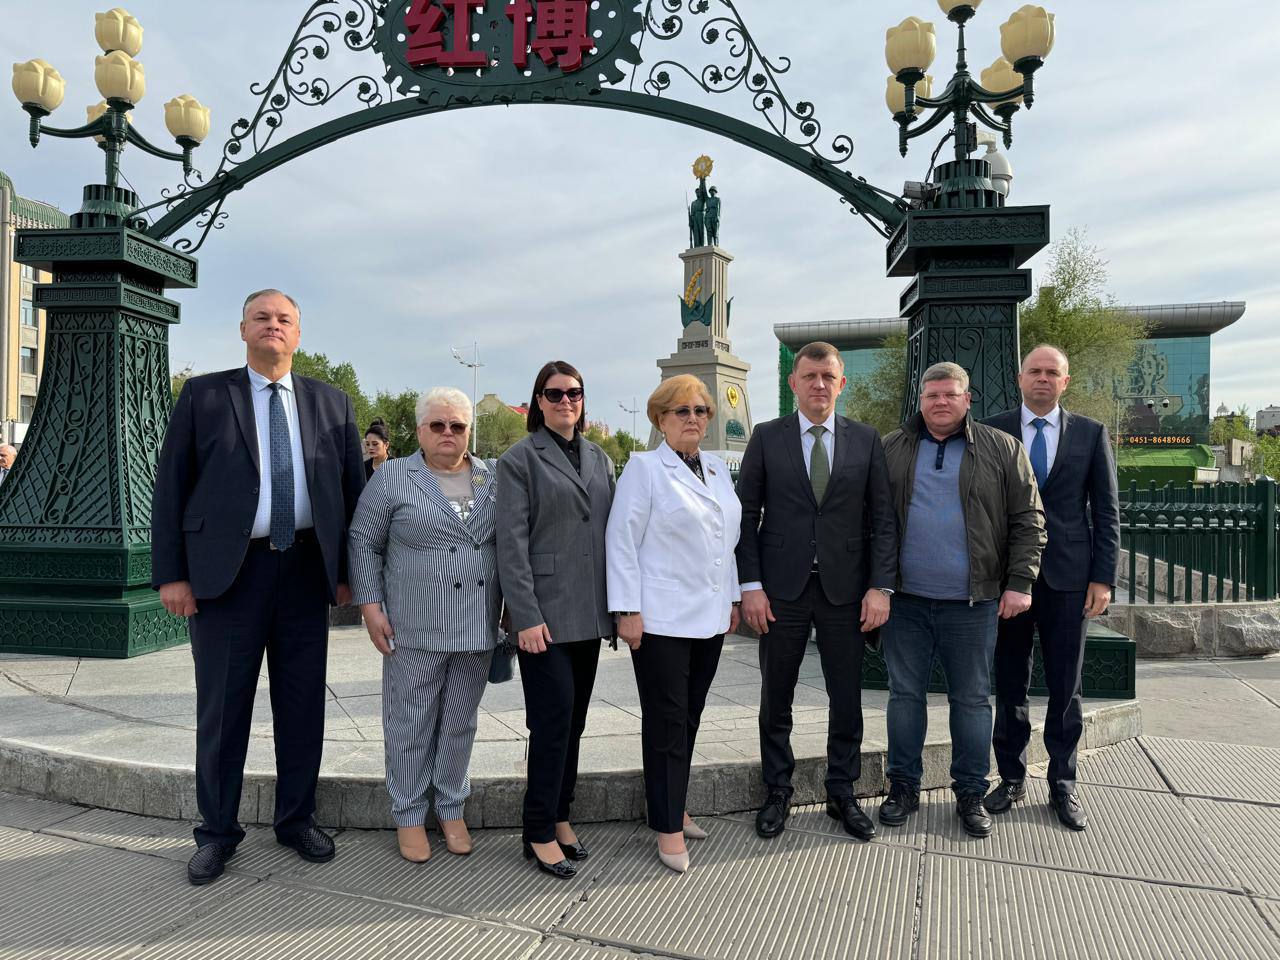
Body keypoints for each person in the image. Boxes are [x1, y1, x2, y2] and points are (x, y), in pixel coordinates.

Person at [151, 289, 365, 885]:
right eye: (262, 317)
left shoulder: (332, 403)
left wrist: (347, 573)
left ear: (298, 334)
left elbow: (352, 493)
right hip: (227, 577)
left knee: (302, 706)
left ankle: (296, 820)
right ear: (242, 329)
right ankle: (217, 833)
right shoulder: (203, 396)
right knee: (223, 710)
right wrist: (172, 574)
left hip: (304, 574)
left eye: (284, 319)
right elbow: (171, 486)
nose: (274, 325)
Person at [736, 341, 897, 842]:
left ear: (841, 383)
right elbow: (745, 515)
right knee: (776, 695)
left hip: (846, 592)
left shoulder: (866, 440)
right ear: (794, 383)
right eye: (810, 376)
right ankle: (777, 790)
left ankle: (842, 792)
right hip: (780, 592)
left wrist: (880, 587)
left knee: (845, 697)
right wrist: (750, 586)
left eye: (828, 376)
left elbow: (883, 519)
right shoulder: (767, 437)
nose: (819, 385)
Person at [879, 361, 1045, 838]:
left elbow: (1029, 519)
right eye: (932, 395)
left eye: (950, 394)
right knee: (904, 696)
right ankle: (903, 787)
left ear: (967, 399)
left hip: (973, 603)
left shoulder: (1002, 448)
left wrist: (1021, 582)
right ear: (921, 400)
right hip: (905, 602)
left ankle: (970, 792)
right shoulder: (892, 447)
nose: (941, 402)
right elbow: (872, 520)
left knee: (971, 700)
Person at [348, 388, 501, 862]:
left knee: (459, 723)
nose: (448, 433)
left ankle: (451, 807)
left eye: (457, 425)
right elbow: (363, 541)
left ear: (469, 431)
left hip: (476, 626)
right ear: (419, 430)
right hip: (414, 627)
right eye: (438, 425)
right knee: (410, 724)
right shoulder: (394, 477)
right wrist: (370, 606)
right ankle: (410, 813)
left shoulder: (493, 477)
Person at [606, 375, 742, 873]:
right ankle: (667, 827)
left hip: (708, 616)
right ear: (660, 419)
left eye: (701, 411)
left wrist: (731, 597)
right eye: (681, 411)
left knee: (689, 718)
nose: (692, 419)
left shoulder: (716, 468)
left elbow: (726, 539)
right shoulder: (644, 469)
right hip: (660, 619)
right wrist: (626, 609)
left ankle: (672, 803)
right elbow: (621, 539)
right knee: (666, 722)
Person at [981, 345, 1120, 831]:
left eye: (1051, 372)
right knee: (1009, 681)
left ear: (1065, 381)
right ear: (1020, 378)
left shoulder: (1090, 433)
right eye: (1034, 371)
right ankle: (1011, 778)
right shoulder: (993, 430)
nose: (1042, 378)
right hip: (1008, 579)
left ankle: (1063, 782)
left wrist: (1103, 577)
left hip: (1070, 579)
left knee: (1066, 685)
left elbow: (1106, 510)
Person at [497, 361, 615, 880]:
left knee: (575, 720)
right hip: (542, 617)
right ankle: (538, 829)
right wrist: (524, 615)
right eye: (554, 393)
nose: (566, 401)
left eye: (574, 392)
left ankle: (561, 814)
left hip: (588, 613)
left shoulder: (600, 458)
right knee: (552, 720)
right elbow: (511, 545)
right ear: (538, 401)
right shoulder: (519, 460)